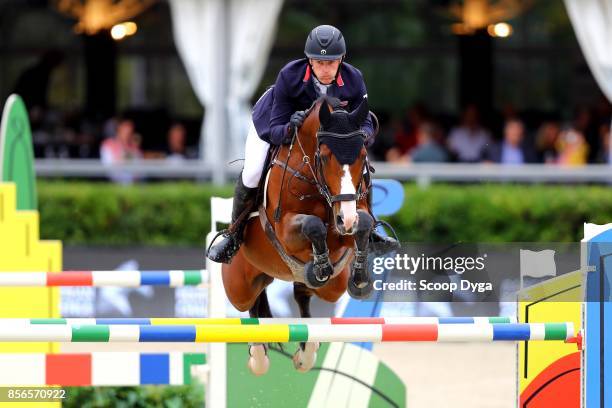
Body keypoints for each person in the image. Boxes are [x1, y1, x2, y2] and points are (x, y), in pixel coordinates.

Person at [207, 25, 398, 264]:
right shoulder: (290, 75)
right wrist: (290, 127)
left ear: (341, 59)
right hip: (273, 124)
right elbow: (276, 129)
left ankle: (371, 232)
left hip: (328, 136)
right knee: (254, 172)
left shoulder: (354, 78)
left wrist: (360, 135)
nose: (325, 69)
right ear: (309, 61)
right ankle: (234, 233)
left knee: (361, 164)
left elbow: (366, 119)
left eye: (331, 62)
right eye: (319, 63)